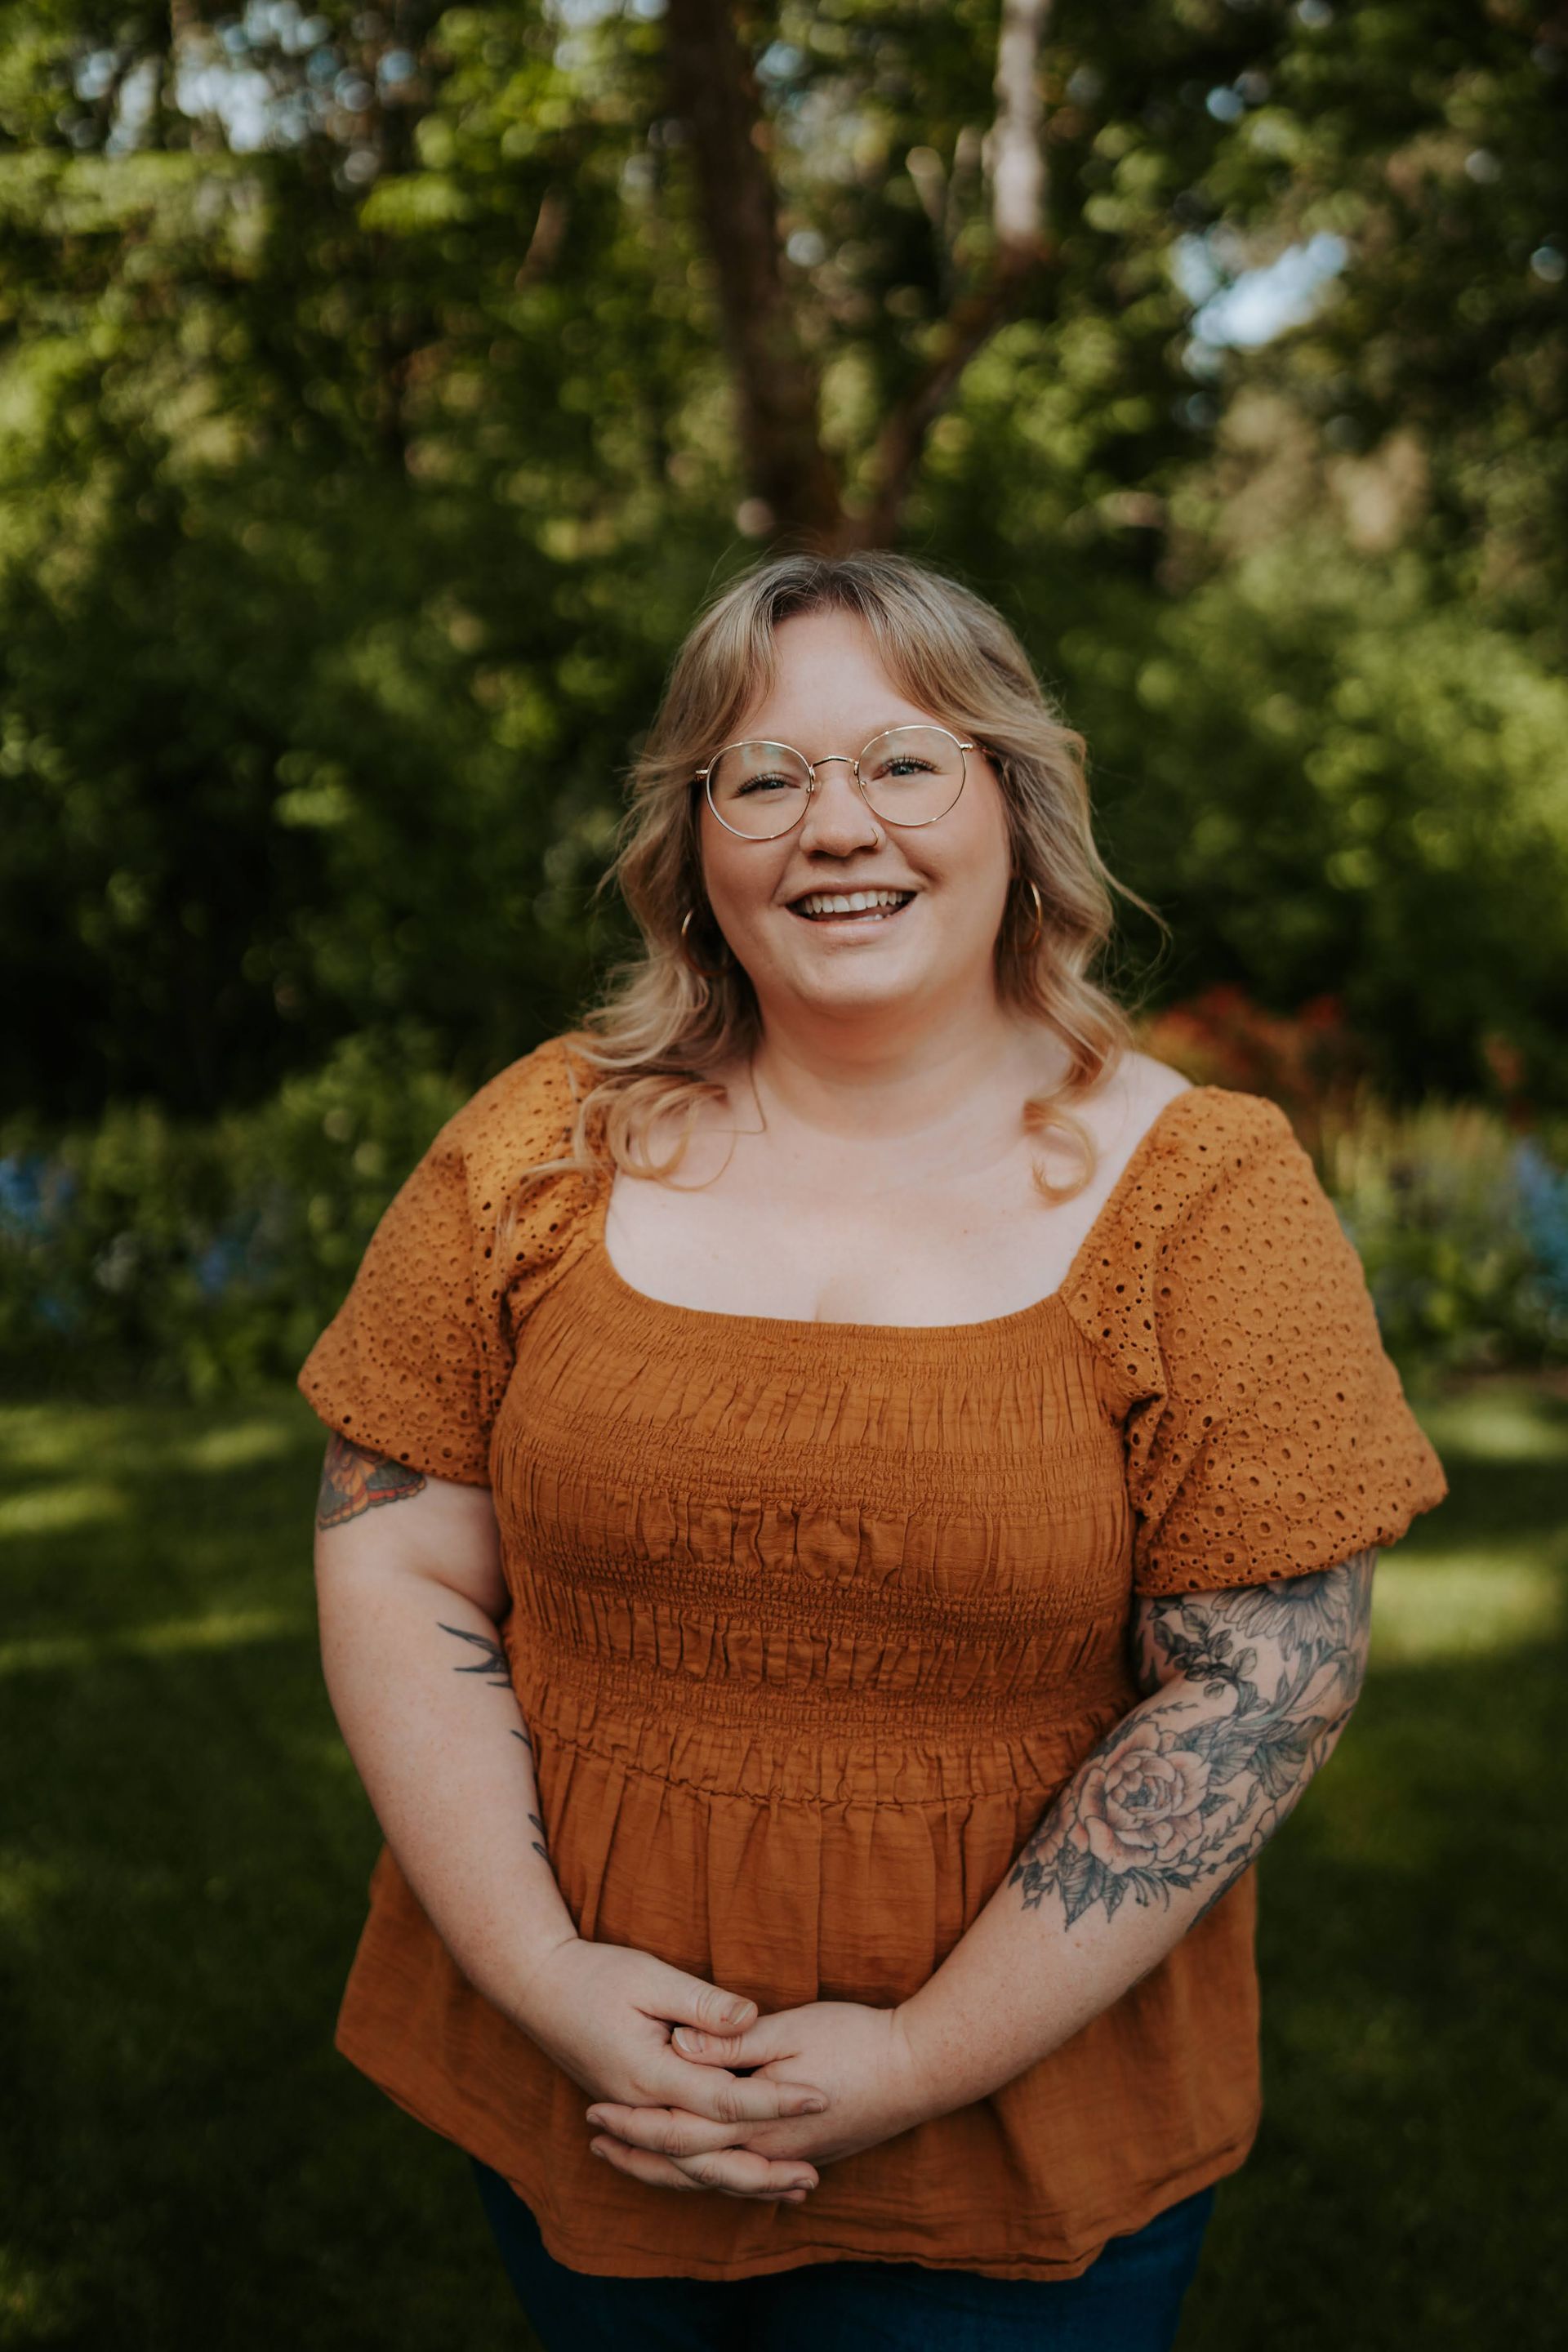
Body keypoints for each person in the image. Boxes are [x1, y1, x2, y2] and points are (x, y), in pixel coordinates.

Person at [298, 551, 1448, 2350]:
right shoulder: (538, 1145)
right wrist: (543, 1977)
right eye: (765, 777)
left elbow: (1266, 1684)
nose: (836, 826)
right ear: (696, 838)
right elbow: (397, 1550)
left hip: (1014, 2153)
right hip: (586, 2099)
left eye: (906, 762)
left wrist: (920, 2056)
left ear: (1013, 801)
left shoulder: (1209, 1194)